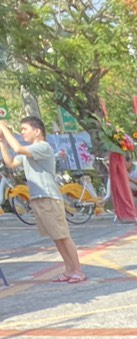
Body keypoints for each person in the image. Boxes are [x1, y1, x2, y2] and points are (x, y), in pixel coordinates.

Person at [0, 117, 85, 283]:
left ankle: (78, 270)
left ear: (37, 131)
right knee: (56, 237)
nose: (22, 132)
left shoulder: (42, 147)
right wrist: (2, 142)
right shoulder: (30, 151)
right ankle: (69, 269)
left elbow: (17, 148)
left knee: (63, 236)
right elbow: (10, 163)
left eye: (25, 129)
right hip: (38, 198)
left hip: (49, 198)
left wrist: (4, 128)